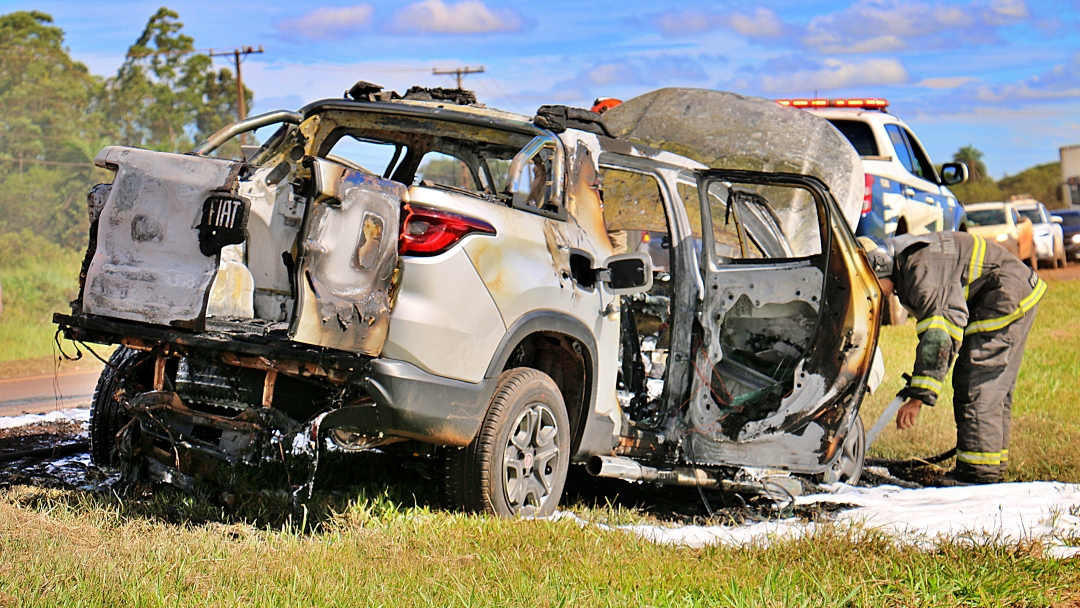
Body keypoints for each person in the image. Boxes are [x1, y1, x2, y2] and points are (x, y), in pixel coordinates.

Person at [859, 232, 1045, 485]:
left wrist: (918, 397)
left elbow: (941, 335)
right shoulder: (911, 262)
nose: (868, 294)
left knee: (977, 381)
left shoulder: (920, 271)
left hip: (1006, 294)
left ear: (880, 266)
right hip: (1015, 288)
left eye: (868, 285)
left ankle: (977, 476)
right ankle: (991, 466)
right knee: (994, 386)